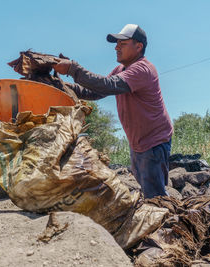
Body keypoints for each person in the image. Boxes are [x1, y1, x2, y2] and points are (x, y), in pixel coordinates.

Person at [53, 24, 173, 199]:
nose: (116, 47)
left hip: (153, 141)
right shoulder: (121, 70)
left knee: (154, 195)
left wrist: (73, 69)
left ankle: (167, 222)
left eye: (122, 44)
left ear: (138, 46)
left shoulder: (143, 69)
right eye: (117, 43)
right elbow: (95, 91)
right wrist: (63, 86)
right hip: (139, 141)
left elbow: (108, 85)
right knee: (149, 186)